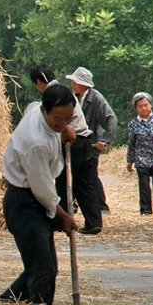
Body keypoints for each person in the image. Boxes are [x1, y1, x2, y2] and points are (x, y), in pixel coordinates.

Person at [0, 84, 78, 305]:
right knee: (42, 268)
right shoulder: (36, 142)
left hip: (34, 199)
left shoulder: (35, 109)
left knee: (44, 266)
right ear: (44, 111)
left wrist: (62, 133)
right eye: (57, 118)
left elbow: (56, 126)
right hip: (25, 203)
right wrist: (62, 215)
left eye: (67, 118)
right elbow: (42, 187)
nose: (62, 122)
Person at [30, 64, 102, 234]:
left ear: (40, 81)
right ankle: (94, 222)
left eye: (36, 83)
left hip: (72, 142)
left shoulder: (53, 93)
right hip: (84, 140)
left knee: (64, 182)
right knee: (84, 184)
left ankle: (60, 222)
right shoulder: (62, 91)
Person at [66, 67, 117, 214]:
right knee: (75, 174)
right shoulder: (73, 97)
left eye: (74, 82)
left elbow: (111, 119)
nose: (72, 84)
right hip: (75, 144)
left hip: (90, 144)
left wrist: (106, 140)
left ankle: (101, 206)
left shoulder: (96, 98)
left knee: (90, 176)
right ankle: (73, 204)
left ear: (82, 84)